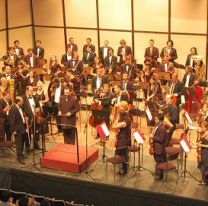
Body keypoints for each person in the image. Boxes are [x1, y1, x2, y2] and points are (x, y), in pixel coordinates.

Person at [112, 101, 131, 175]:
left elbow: (114, 126)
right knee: (123, 154)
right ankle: (123, 167)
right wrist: (118, 118)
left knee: (123, 155)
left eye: (120, 106)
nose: (119, 108)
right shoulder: (123, 116)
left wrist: (117, 119)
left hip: (124, 140)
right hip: (122, 137)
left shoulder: (126, 120)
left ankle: (125, 170)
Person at [9, 97, 27, 164]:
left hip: (22, 127)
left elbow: (21, 117)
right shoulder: (13, 109)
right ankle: (19, 158)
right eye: (22, 101)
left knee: (22, 142)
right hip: (17, 129)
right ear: (18, 102)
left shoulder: (20, 108)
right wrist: (14, 130)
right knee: (18, 144)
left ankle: (21, 154)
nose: (23, 102)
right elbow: (11, 121)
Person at [22, 86, 40, 150]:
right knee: (28, 133)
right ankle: (27, 146)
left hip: (35, 117)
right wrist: (25, 117)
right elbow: (21, 109)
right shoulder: (23, 98)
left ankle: (36, 145)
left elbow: (38, 106)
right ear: (27, 91)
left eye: (32, 91)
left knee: (36, 131)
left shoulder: (35, 97)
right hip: (27, 118)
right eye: (31, 90)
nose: (32, 92)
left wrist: (38, 108)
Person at [152, 113, 167, 180]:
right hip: (157, 147)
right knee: (157, 160)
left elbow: (161, 139)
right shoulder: (158, 125)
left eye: (156, 119)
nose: (155, 120)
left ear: (160, 120)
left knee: (160, 161)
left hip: (160, 148)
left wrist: (153, 137)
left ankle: (160, 176)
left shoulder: (162, 128)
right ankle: (158, 173)